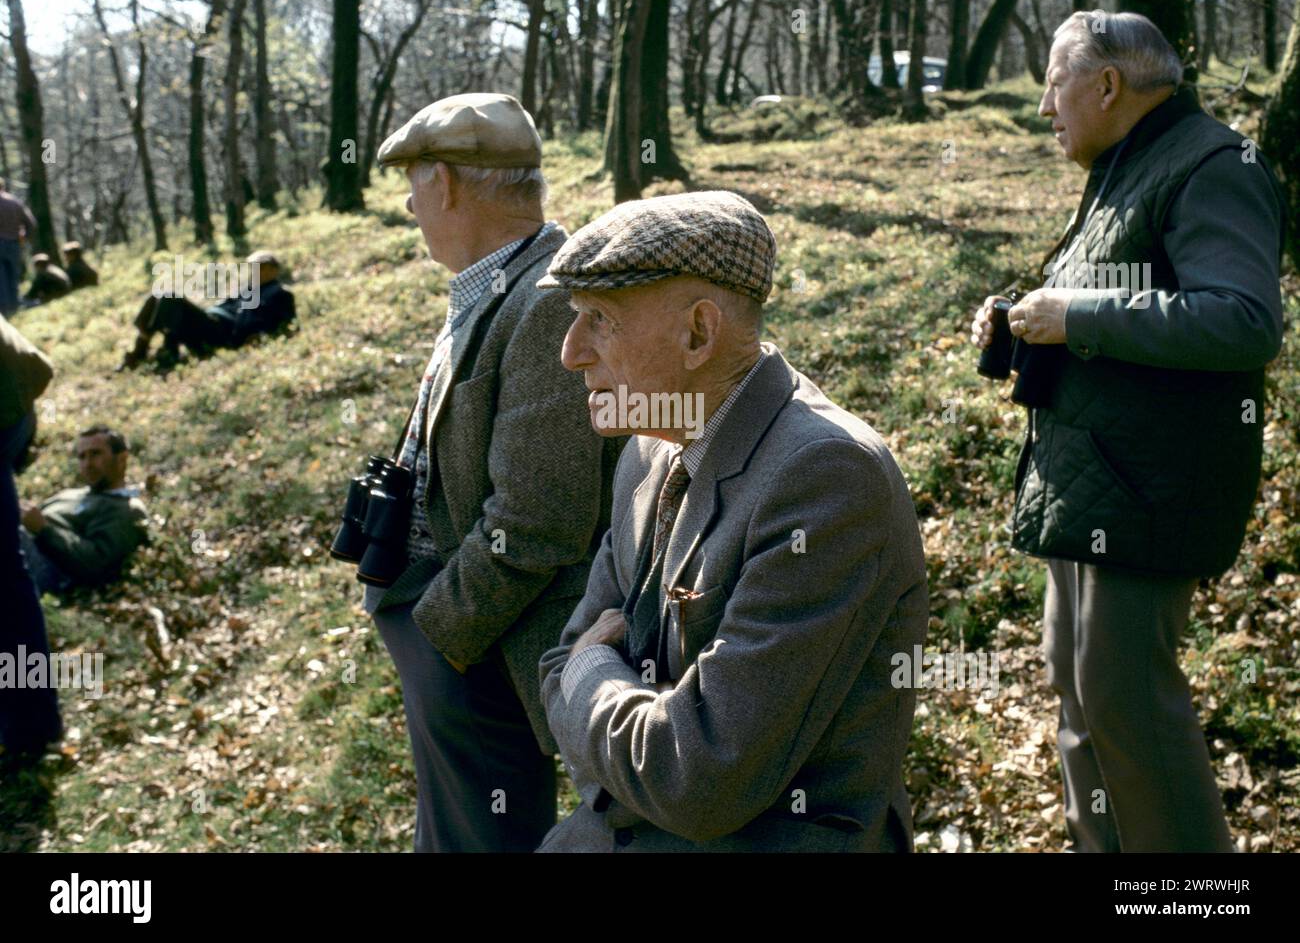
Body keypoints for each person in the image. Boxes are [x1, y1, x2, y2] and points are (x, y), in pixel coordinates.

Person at [970, 11, 1286, 852]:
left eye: (1052, 81)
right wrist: (1019, 326)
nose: (1043, 106)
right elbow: (1112, 313)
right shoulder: (1124, 166)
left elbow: (1243, 320)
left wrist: (1074, 313)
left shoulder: (1214, 164)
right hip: (1086, 480)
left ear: (1107, 85)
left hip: (1147, 487)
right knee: (1081, 694)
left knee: (1127, 701)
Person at [534, 190, 930, 852]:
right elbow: (553, 665)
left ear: (698, 332)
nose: (571, 352)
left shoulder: (826, 476)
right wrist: (601, 688)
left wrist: (590, 673)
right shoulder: (648, 447)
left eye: (598, 319)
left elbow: (698, 775)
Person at [360, 92, 621, 852]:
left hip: (485, 646)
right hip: (460, 630)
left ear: (442, 182)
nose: (410, 206)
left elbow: (538, 516)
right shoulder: (497, 282)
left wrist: (441, 627)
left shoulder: (543, 301)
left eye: (413, 183)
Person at [0, 316, 60, 761]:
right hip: (17, 395)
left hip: (8, 405)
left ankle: (30, 726)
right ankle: (30, 724)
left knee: (4, 578)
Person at [18, 425, 148, 594]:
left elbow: (95, 564)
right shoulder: (71, 494)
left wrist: (44, 529)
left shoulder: (126, 508)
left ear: (121, 459)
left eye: (96, 454)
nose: (88, 464)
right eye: (82, 456)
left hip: (51, 571)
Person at [119, 251, 295, 369]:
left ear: (273, 269)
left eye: (261, 267)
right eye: (252, 267)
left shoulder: (279, 294)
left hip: (224, 333)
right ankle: (139, 349)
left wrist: (257, 338)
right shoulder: (248, 289)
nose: (255, 271)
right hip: (212, 323)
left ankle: (168, 352)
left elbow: (288, 326)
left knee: (169, 297)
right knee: (158, 296)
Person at [0, 178, 36, 319]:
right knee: (13, 277)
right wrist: (24, 238)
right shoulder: (15, 202)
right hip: (14, 244)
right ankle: (14, 309)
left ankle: (4, 312)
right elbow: (31, 223)